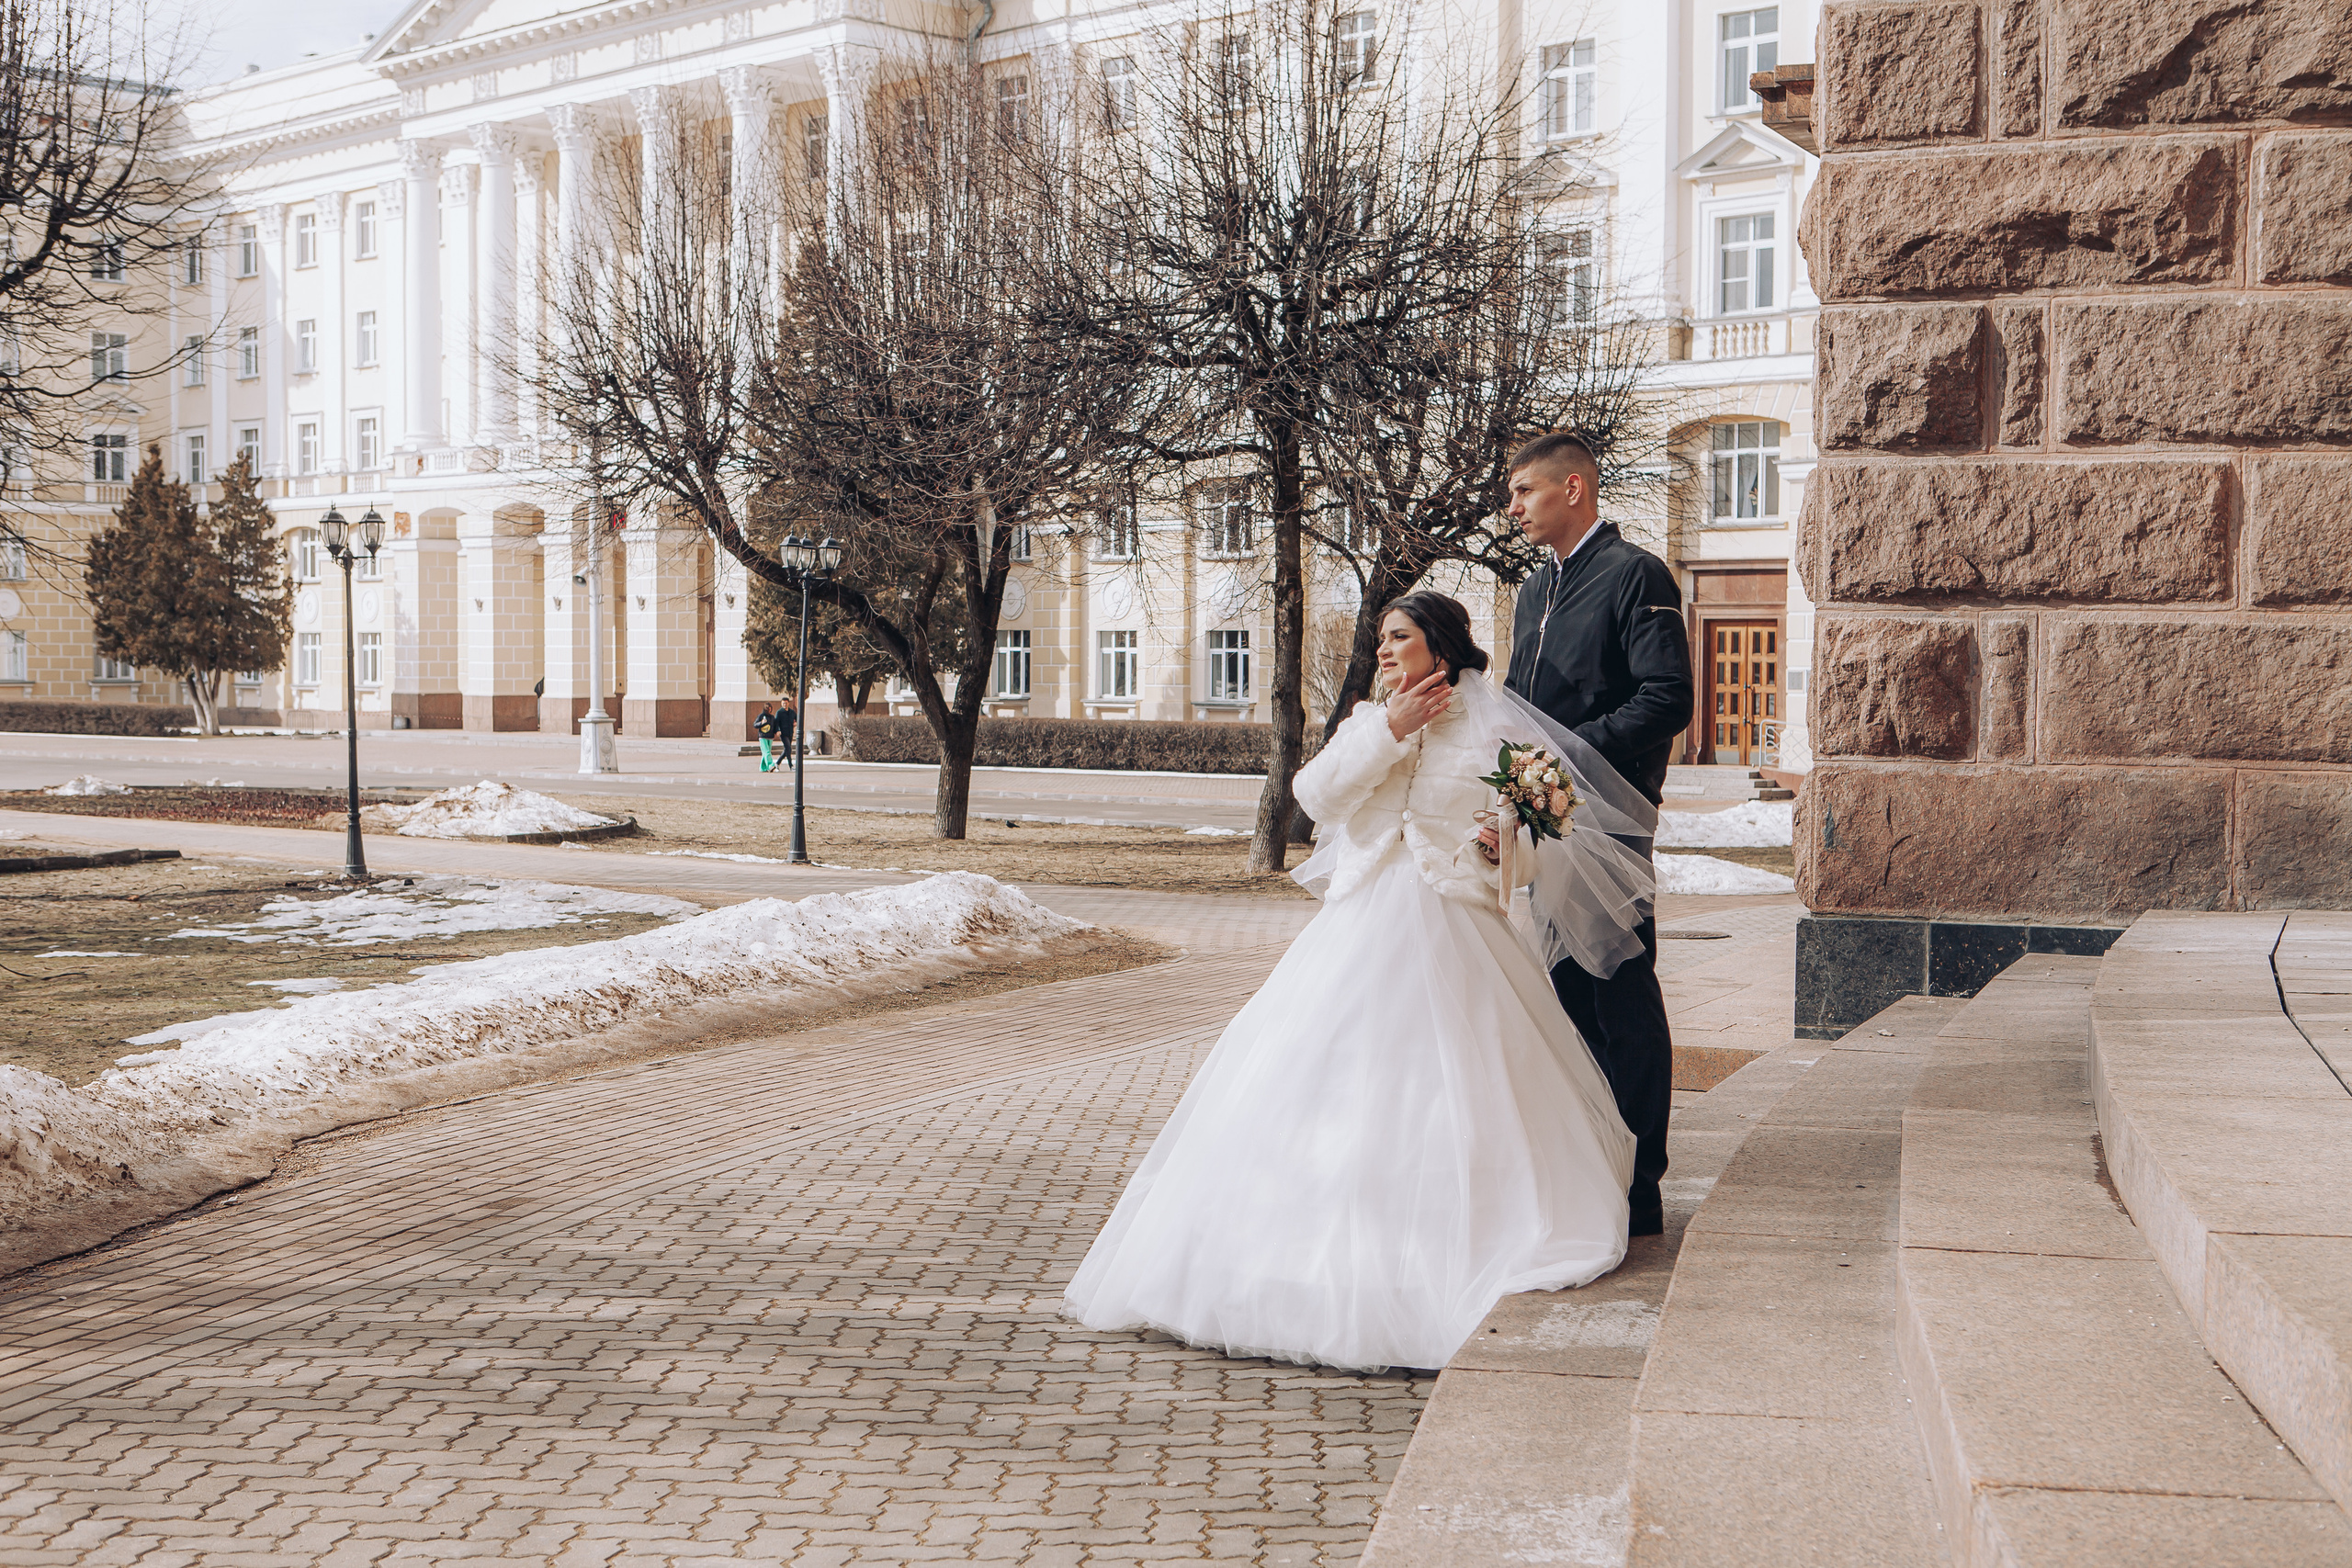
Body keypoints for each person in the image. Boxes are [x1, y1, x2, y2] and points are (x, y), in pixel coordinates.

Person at [1064, 592, 1653, 1373]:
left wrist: (1499, 840)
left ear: (1439, 646)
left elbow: (1538, 840)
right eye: (1381, 638)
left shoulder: (1500, 725)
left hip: (1457, 922)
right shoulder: (1371, 718)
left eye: (1397, 637)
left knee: (1459, 1089)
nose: (1383, 651)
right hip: (1362, 919)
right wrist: (1390, 730)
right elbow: (1315, 799)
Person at [1501, 431, 1695, 1238]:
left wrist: (1571, 755)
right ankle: (1592, 1164)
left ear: (1573, 489)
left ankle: (1639, 1183)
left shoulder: (1635, 574)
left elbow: (1668, 697)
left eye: (1525, 492)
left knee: (1620, 993)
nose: (1512, 508)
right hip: (1544, 820)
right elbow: (1517, 702)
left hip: (1607, 820)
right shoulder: (1533, 591)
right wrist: (1511, 786)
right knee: (1567, 993)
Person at [752, 702, 784, 772]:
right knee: (767, 752)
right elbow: (755, 725)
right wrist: (761, 723)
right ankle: (771, 765)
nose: (769, 710)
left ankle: (763, 768)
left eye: (770, 709)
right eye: (767, 709)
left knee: (766, 752)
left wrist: (777, 731)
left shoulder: (772, 717)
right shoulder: (761, 716)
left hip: (770, 737)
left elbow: (775, 726)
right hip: (763, 737)